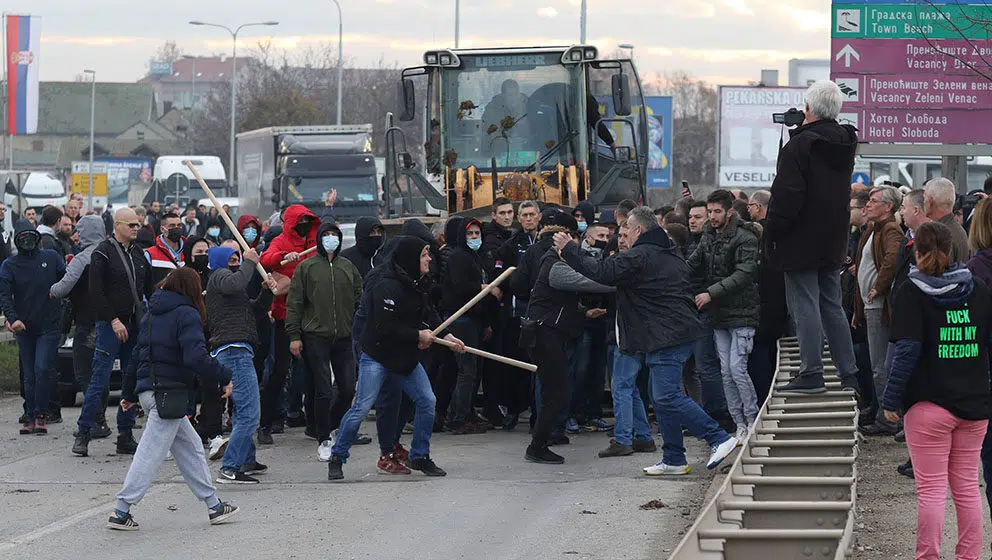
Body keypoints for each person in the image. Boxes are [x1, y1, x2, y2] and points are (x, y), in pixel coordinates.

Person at [557, 207, 739, 474]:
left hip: (667, 335)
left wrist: (571, 249)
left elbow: (603, 271)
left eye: (626, 230)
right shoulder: (666, 251)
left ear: (638, 230)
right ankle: (674, 459)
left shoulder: (641, 255)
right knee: (661, 397)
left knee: (667, 396)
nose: (623, 236)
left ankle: (718, 438)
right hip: (668, 333)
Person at [881, 221, 990, 560]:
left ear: (916, 251)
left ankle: (928, 556)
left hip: (928, 406)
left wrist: (891, 398)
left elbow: (907, 351)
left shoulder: (910, 291)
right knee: (968, 489)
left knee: (931, 491)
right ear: (955, 250)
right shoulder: (979, 289)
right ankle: (969, 556)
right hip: (974, 405)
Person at [327, 236, 465, 481]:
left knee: (427, 401)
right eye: (424, 255)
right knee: (361, 408)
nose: (429, 259)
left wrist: (449, 335)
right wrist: (417, 336)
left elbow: (431, 315)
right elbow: (384, 326)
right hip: (377, 356)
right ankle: (338, 456)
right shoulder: (385, 285)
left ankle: (420, 455)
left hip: (405, 358)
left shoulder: (418, 282)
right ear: (411, 258)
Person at [111, 268, 238, 530]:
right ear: (191, 288)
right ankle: (121, 511)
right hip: (169, 394)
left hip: (152, 393)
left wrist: (128, 394)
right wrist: (224, 375)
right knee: (150, 454)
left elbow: (136, 356)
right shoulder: (187, 314)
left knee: (191, 447)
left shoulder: (150, 314)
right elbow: (195, 357)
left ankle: (214, 505)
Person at [765, 81, 862, 396]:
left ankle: (811, 373)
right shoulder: (845, 144)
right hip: (832, 238)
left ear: (808, 109)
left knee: (804, 304)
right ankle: (848, 373)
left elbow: (786, 196)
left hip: (799, 239)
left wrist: (773, 231)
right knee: (831, 304)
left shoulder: (798, 147)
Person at [525, 215, 613, 463]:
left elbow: (563, 302)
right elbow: (591, 282)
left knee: (558, 391)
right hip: (545, 336)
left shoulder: (558, 263)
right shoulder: (556, 266)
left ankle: (540, 442)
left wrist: (584, 312)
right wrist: (622, 282)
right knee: (556, 392)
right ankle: (538, 444)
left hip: (553, 334)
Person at [72, 208, 153, 457]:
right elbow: (96, 292)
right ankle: (85, 431)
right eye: (131, 225)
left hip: (133, 325)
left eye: (137, 225)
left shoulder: (139, 255)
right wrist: (114, 320)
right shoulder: (102, 252)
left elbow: (148, 290)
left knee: (131, 381)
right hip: (109, 325)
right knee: (99, 379)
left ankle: (125, 434)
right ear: (117, 225)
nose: (135, 229)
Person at [687, 190, 761, 440]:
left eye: (717, 211)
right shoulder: (708, 236)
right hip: (719, 314)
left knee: (737, 369)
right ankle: (739, 423)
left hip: (741, 313)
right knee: (727, 373)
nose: (712, 216)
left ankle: (752, 421)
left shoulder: (745, 237)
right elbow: (693, 264)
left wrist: (710, 293)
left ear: (729, 211)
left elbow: (745, 273)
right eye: (710, 211)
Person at [286, 222, 361, 462]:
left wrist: (357, 325)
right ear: (319, 239)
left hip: (344, 336)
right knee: (323, 389)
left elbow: (360, 298)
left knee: (348, 387)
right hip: (315, 335)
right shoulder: (306, 268)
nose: (331, 239)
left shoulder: (347, 267)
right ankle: (323, 438)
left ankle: (333, 424)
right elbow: (295, 303)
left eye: (334, 235)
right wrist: (294, 336)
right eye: (326, 235)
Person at [205, 243, 274, 483]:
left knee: (246, 410)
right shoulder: (220, 277)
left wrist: (266, 291)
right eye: (232, 259)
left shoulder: (228, 287)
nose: (236, 263)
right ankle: (230, 467)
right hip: (233, 351)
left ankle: (246, 459)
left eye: (238, 259)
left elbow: (255, 309)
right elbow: (236, 282)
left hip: (238, 350)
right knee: (249, 413)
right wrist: (251, 262)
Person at [257, 204, 320, 444]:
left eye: (308, 220)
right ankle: (266, 422)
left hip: (313, 316)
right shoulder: (281, 241)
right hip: (285, 315)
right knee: (280, 370)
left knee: (314, 371)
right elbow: (266, 259)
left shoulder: (315, 242)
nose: (304, 225)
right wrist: (284, 257)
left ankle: (314, 423)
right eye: (300, 221)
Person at [50, 216, 114, 439]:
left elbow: (63, 288)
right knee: (103, 372)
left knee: (85, 373)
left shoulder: (82, 258)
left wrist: (50, 289)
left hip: (87, 324)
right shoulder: (112, 253)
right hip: (109, 322)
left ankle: (94, 421)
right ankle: (102, 419)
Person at [0, 220, 65, 434]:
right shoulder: (9, 265)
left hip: (49, 325)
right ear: (17, 241)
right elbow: (5, 296)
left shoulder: (52, 258)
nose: (27, 240)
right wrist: (12, 318)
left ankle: (41, 414)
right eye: (22, 237)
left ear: (37, 238)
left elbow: (67, 282)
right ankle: (30, 415)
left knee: (42, 369)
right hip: (23, 328)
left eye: (31, 235)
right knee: (28, 375)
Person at [853, 186, 905, 436]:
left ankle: (888, 419)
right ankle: (879, 409)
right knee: (876, 364)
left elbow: (892, 260)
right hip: (870, 306)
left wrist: (877, 288)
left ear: (888, 207)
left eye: (874, 202)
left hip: (879, 307)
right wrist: (859, 306)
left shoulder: (891, 230)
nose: (868, 205)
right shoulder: (874, 229)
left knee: (880, 365)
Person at [440, 218, 498, 434]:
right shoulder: (458, 257)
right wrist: (484, 288)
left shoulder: (477, 257)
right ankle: (457, 418)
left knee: (473, 370)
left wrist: (486, 322)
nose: (474, 238)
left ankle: (464, 411)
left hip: (475, 320)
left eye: (477, 234)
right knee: (467, 370)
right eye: (470, 234)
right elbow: (461, 288)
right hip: (461, 320)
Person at [924, 177, 971, 263]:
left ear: (930, 201)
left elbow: (937, 273)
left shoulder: (941, 235)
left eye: (924, 197)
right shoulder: (956, 230)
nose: (923, 201)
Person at [144, 212, 185, 285]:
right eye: (172, 225)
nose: (176, 228)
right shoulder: (150, 254)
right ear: (162, 229)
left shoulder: (188, 250)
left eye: (179, 225)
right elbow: (145, 281)